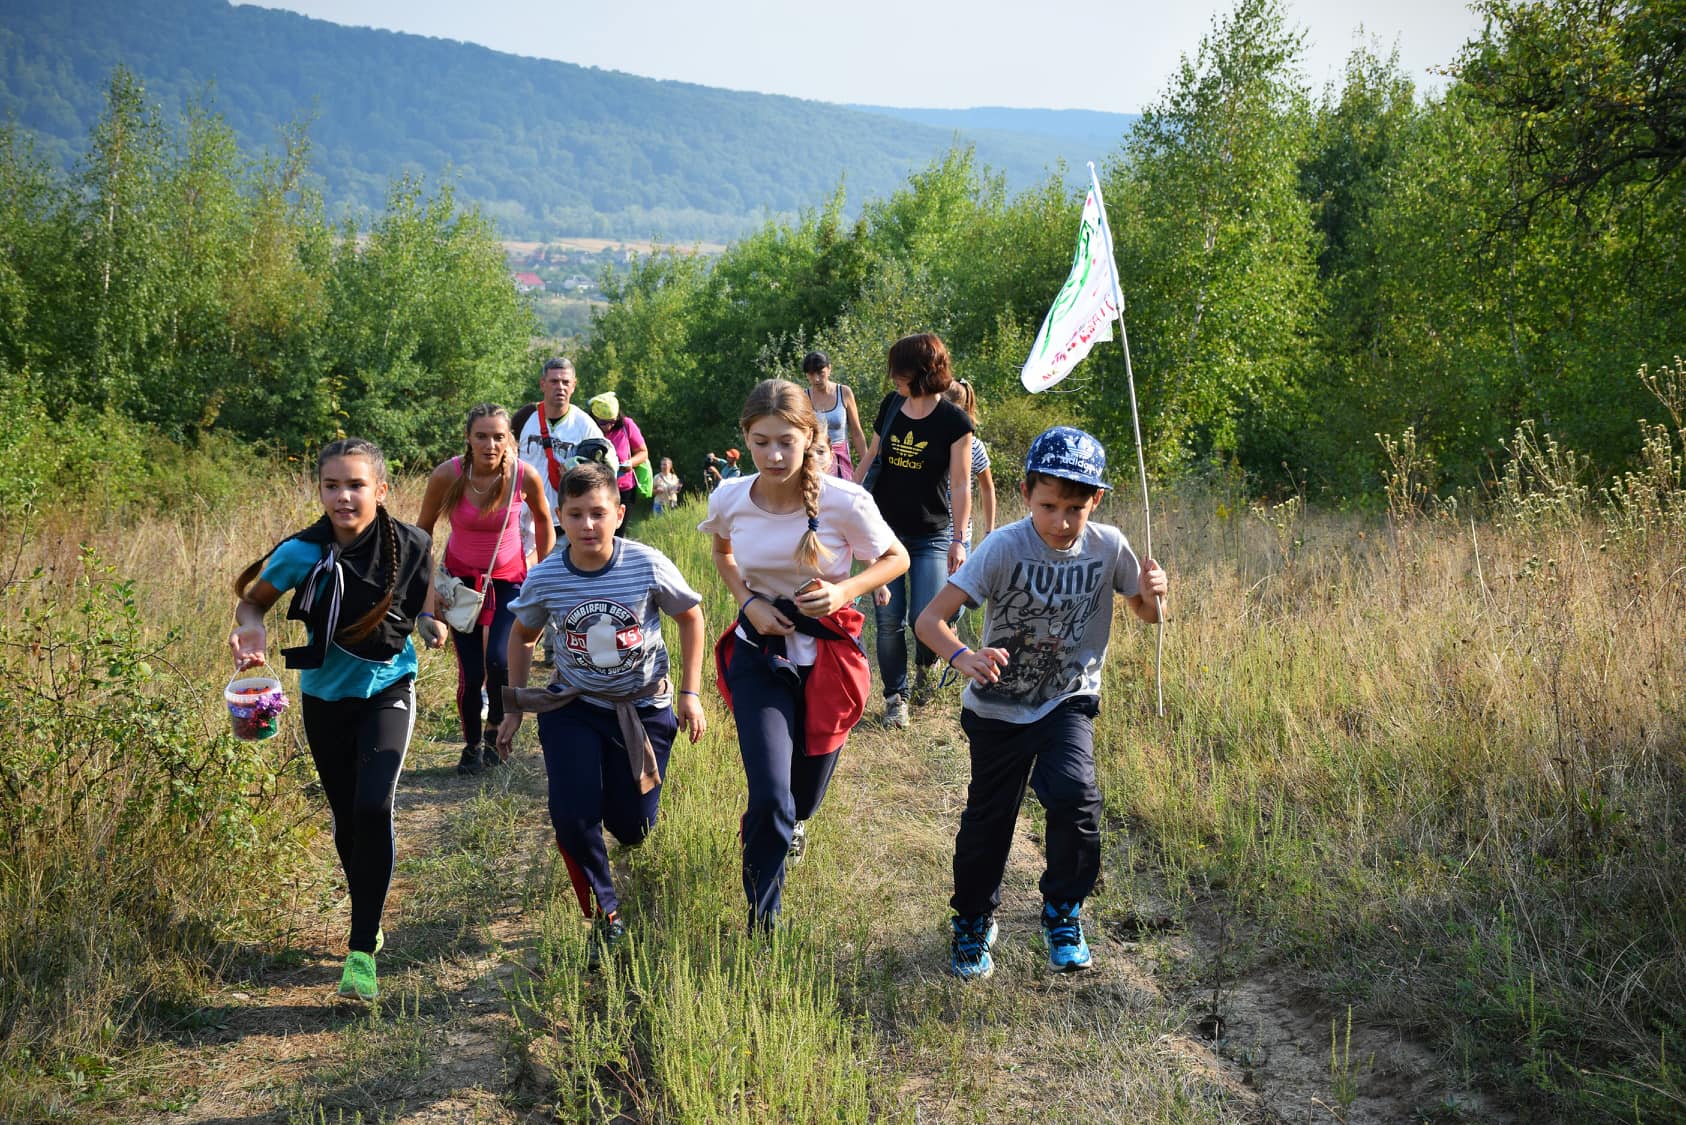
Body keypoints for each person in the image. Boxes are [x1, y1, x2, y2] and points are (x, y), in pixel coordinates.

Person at [914, 426, 1168, 982]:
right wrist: (963, 657)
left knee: (1077, 797)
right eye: (1049, 505)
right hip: (997, 709)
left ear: (1094, 501)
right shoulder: (1003, 547)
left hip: (1067, 698)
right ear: (1026, 493)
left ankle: (1063, 910)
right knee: (990, 821)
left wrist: (1153, 592)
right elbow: (929, 621)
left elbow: (1145, 614)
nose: (1062, 521)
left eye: (1075, 507)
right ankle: (974, 920)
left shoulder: (1109, 545)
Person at [230, 437, 446, 1002]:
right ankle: (368, 909)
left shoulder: (413, 542)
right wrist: (250, 625)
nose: (343, 496)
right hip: (324, 697)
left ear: (381, 488)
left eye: (355, 484)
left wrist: (431, 623)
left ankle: (360, 953)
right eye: (332, 485)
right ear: (319, 489)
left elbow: (421, 599)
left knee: (374, 806)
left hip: (388, 687)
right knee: (347, 819)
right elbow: (253, 601)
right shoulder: (303, 551)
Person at [699, 379, 909, 933]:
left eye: (786, 443)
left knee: (800, 800)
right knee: (769, 797)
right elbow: (721, 550)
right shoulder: (730, 496)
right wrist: (747, 602)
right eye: (761, 441)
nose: (773, 455)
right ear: (745, 437)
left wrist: (844, 591)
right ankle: (763, 925)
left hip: (829, 661)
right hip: (757, 656)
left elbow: (897, 558)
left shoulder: (845, 501)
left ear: (809, 437)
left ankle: (793, 825)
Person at [496, 461, 707, 963]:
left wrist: (690, 695)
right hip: (574, 706)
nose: (587, 525)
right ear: (561, 519)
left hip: (644, 709)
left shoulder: (647, 563)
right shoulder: (547, 577)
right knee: (572, 813)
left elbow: (691, 618)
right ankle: (605, 916)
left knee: (632, 824)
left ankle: (628, 829)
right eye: (575, 515)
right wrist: (515, 706)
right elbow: (522, 636)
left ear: (618, 513)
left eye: (597, 513)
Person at [417, 404, 554, 777]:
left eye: (498, 436)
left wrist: (545, 577)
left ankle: (495, 730)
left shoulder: (523, 476)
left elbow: (544, 521)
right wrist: (429, 599)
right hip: (460, 585)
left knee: (498, 662)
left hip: (510, 582)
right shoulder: (449, 475)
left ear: (509, 438)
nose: (490, 444)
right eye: (481, 436)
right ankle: (472, 744)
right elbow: (422, 533)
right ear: (468, 438)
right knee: (471, 671)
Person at [854, 332, 973, 727]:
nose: (893, 378)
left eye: (899, 371)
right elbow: (871, 456)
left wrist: (959, 539)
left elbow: (960, 483)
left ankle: (926, 667)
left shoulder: (954, 421)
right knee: (889, 619)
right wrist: (844, 503)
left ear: (922, 373)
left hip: (932, 534)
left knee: (927, 618)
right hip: (884, 532)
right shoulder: (891, 406)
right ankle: (895, 699)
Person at [512, 358, 617, 557]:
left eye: (565, 382)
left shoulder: (585, 426)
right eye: (554, 381)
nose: (560, 387)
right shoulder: (525, 417)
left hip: (566, 523)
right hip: (524, 520)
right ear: (543, 384)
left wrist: (579, 473)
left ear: (574, 385)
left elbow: (608, 472)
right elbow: (504, 454)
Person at [942, 379, 996, 551]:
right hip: (929, 536)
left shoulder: (974, 446)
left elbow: (987, 488)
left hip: (959, 538)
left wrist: (989, 531)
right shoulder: (930, 441)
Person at [802, 350, 868, 481]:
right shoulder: (803, 397)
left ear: (829, 369)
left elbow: (856, 432)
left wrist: (867, 464)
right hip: (814, 459)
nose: (816, 379)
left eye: (820, 373)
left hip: (840, 458)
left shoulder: (844, 392)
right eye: (811, 374)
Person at [589, 392, 649, 528]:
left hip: (624, 489)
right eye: (603, 422)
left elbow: (643, 452)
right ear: (594, 417)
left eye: (612, 421)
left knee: (618, 531)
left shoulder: (626, 425)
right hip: (595, 489)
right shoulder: (586, 428)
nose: (608, 426)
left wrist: (630, 463)